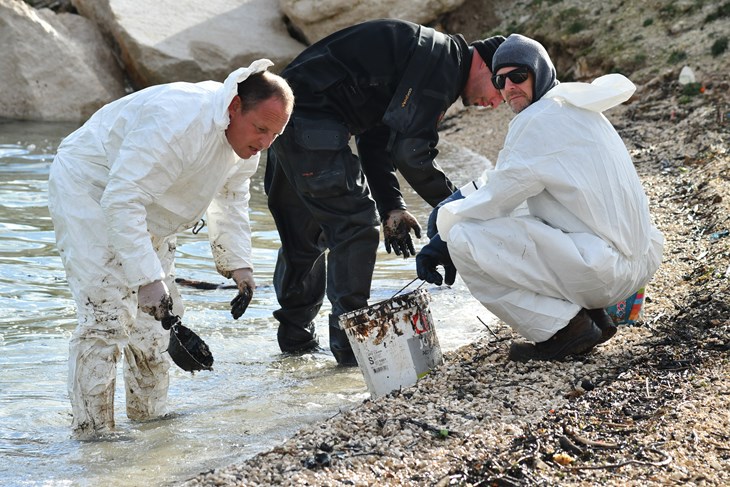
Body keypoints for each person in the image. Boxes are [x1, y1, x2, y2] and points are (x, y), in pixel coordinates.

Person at [47, 59, 293, 438]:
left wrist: (238, 263)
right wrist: (147, 278)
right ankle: (94, 438)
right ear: (234, 107)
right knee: (107, 319)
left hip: (150, 209)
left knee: (157, 323)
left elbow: (230, 196)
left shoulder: (245, 143)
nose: (263, 143)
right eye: (261, 129)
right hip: (92, 191)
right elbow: (121, 199)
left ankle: (151, 428)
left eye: (273, 136)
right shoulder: (177, 120)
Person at [264, 19, 506, 366]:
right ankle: (351, 353)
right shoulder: (443, 67)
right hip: (308, 119)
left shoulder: (434, 56)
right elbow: (413, 154)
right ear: (483, 62)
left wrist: (392, 206)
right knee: (356, 226)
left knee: (307, 234)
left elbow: (375, 136)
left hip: (284, 118)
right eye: (500, 86)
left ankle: (295, 344)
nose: (496, 102)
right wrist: (464, 210)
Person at [416, 34, 664, 362]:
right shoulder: (572, 108)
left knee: (463, 239)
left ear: (540, 72)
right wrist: (458, 201)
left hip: (607, 272)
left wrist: (443, 237)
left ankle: (565, 331)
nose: (508, 88)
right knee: (513, 217)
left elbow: (498, 198)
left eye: (518, 76)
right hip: (637, 260)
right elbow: (514, 182)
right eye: (499, 80)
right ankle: (594, 317)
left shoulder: (536, 121)